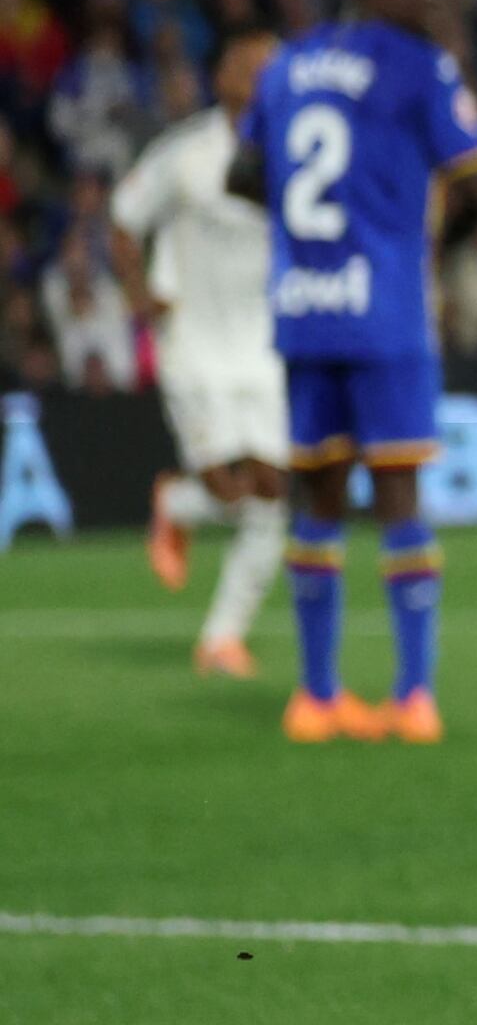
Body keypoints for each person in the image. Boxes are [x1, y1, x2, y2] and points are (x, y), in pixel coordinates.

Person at [237, 0, 477, 743]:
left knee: (318, 496)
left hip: (305, 308)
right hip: (385, 311)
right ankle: (413, 694)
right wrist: (418, 248)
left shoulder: (287, 63)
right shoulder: (420, 64)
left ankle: (315, 697)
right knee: (397, 498)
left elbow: (241, 175)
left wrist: (306, 239)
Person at [112, 35, 292, 675]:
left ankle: (222, 638)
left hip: (266, 346)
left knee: (272, 492)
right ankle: (180, 503)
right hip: (193, 341)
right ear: (225, 77)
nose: (267, 75)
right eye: (253, 64)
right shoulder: (186, 154)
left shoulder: (297, 152)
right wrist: (140, 296)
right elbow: (123, 220)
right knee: (226, 486)